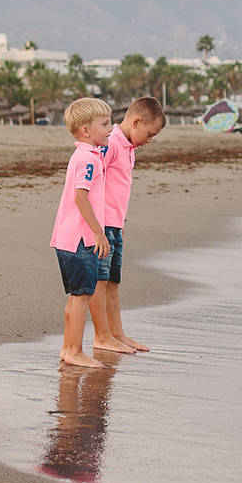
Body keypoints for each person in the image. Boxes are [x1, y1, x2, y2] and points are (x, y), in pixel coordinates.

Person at [92, 96, 166, 354]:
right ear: (136, 121)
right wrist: (97, 227)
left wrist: (119, 223)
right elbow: (94, 183)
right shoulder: (110, 144)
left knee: (113, 281)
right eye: (149, 134)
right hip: (101, 226)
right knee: (99, 281)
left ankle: (116, 333)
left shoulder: (128, 148)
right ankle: (101, 336)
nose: (149, 140)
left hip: (115, 225)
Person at [49, 97, 113, 369]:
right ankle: (74, 349)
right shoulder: (88, 159)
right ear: (86, 131)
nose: (111, 128)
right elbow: (81, 197)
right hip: (79, 240)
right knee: (81, 296)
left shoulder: (84, 155)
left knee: (76, 296)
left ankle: (68, 348)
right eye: (106, 123)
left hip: (66, 238)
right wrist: (99, 233)